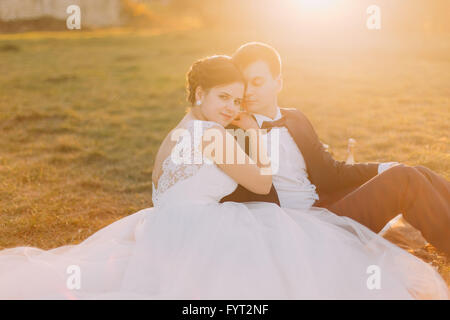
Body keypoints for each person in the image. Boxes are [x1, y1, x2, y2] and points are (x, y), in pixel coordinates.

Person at [0, 55, 447, 299]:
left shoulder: (178, 133)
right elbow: (257, 184)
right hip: (234, 226)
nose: (236, 105)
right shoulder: (217, 136)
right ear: (200, 94)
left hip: (166, 226)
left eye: (240, 96)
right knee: (405, 179)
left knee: (414, 173)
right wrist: (252, 132)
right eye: (226, 97)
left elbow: (164, 186)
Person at [221, 42, 450, 258]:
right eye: (243, 83)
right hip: (303, 227)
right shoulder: (233, 132)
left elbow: (331, 173)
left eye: (257, 82)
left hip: (324, 205)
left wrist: (382, 167)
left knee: (416, 171)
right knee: (404, 179)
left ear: (278, 82)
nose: (248, 91)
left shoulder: (296, 118)